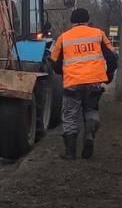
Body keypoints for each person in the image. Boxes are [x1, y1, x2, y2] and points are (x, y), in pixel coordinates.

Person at [50, 8, 117, 160]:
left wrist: (64, 71)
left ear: (72, 21)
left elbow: (54, 62)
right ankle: (89, 136)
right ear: (87, 20)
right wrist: (108, 75)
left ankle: (70, 152)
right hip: (93, 82)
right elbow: (113, 57)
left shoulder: (63, 38)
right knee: (91, 110)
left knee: (70, 116)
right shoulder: (98, 34)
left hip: (72, 84)